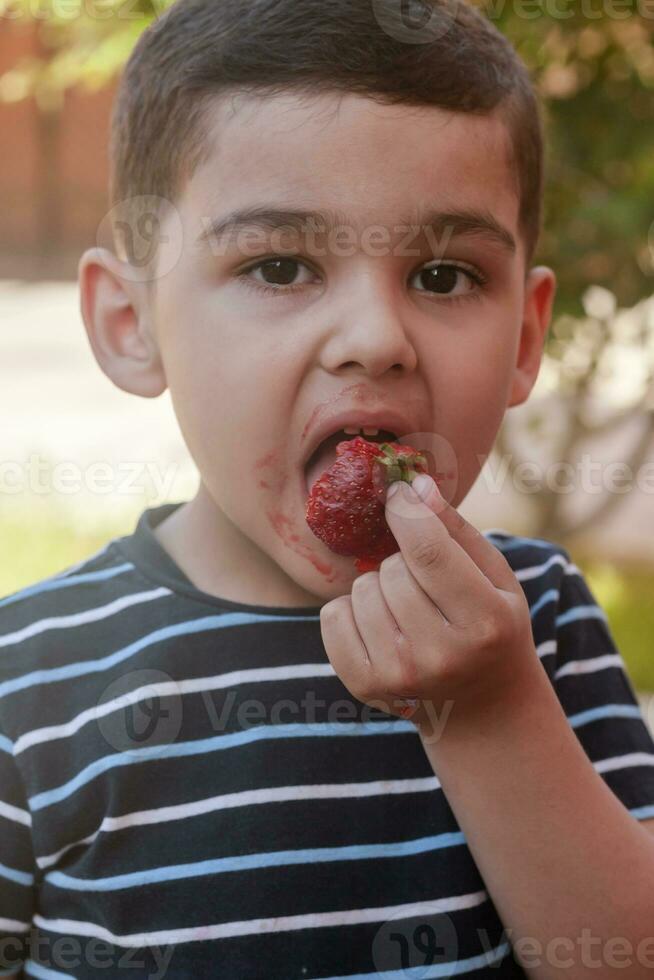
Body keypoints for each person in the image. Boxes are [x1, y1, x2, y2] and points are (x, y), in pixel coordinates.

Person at [2, 0, 654, 976]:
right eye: (279, 264)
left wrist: (491, 710)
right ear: (133, 325)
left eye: (442, 275)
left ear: (524, 337)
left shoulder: (539, 623)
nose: (376, 338)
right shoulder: (31, 682)